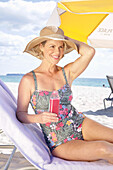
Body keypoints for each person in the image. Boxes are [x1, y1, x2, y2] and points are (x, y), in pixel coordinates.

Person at [16, 26, 113, 164]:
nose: (57, 51)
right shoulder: (29, 80)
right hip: (59, 140)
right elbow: (20, 114)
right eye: (52, 46)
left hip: (80, 123)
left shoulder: (66, 72)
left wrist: (65, 38)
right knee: (106, 149)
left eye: (61, 47)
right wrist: (38, 117)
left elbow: (89, 52)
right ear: (41, 46)